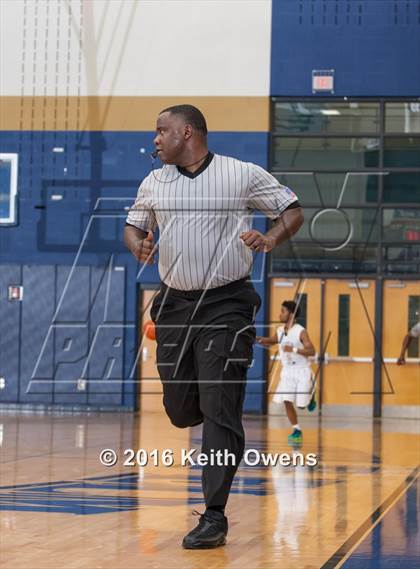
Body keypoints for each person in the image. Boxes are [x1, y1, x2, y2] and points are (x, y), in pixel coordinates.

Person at [124, 104, 303, 549]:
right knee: (181, 411)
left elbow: (291, 209)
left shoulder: (240, 173)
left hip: (226, 304)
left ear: (187, 132)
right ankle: (212, 401)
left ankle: (214, 515)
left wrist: (272, 237)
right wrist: (137, 244)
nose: (155, 139)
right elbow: (133, 227)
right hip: (175, 307)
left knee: (221, 409)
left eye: (162, 131)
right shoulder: (154, 181)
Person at [256, 300, 315, 446]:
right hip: (287, 371)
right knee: (287, 401)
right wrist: (260, 340)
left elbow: (312, 351)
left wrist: (294, 350)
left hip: (302, 370)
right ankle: (296, 430)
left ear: (291, 314)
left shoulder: (301, 331)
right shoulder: (280, 330)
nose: (279, 314)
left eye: (283, 311)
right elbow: (273, 341)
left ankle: (311, 394)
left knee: (301, 405)